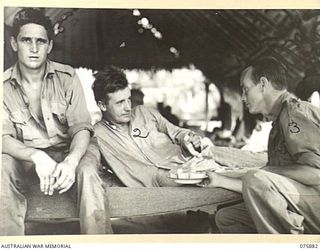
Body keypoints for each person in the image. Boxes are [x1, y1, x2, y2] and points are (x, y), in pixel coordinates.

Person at [1, 8, 113, 235]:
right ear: (14, 43)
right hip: (28, 157)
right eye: (26, 40)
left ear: (49, 46)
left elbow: (82, 129)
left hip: (71, 151)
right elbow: (3, 139)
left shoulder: (68, 77)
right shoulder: (2, 86)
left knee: (88, 172)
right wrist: (36, 156)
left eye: (40, 42)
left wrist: (71, 162)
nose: (33, 48)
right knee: (2, 167)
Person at [203, 57, 320, 234]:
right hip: (304, 199)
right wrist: (220, 180)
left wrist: (263, 172)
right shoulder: (278, 121)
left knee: (256, 177)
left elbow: (316, 174)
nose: (243, 97)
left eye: (246, 89)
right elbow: (265, 184)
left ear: (263, 84)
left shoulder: (294, 113)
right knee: (227, 218)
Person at [92, 66, 207, 187]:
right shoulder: (98, 134)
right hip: (165, 182)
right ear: (102, 105)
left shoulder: (145, 112)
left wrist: (188, 138)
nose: (127, 107)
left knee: (224, 157)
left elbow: (176, 132)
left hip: (189, 163)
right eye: (120, 102)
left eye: (129, 99)